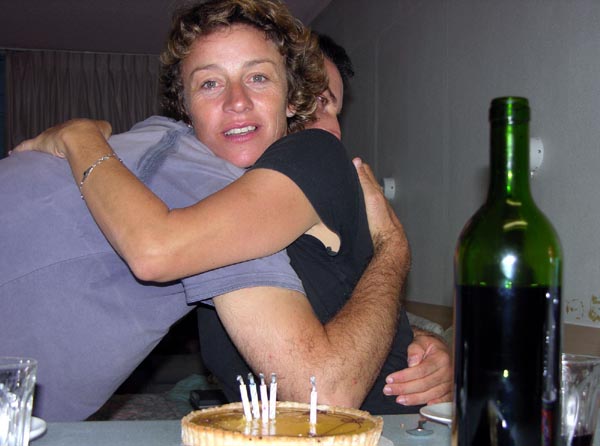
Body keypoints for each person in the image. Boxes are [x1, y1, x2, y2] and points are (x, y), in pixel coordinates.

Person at [7, 0, 439, 418]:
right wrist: (417, 336)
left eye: (258, 78)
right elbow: (328, 305)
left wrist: (79, 136)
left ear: (292, 99)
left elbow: (155, 249)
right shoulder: (212, 200)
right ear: (186, 109)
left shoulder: (313, 152)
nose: (236, 101)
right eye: (210, 83)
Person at [195, 32, 453, 410]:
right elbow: (324, 381)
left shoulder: (312, 193)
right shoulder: (217, 210)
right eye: (314, 102)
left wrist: (423, 343)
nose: (333, 131)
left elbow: (340, 318)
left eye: (333, 108)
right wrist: (394, 248)